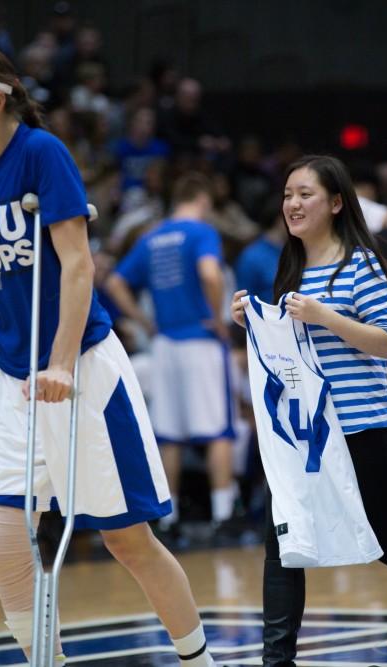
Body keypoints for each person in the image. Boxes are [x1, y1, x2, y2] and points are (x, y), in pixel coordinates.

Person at [0, 45, 215, 666]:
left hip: (81, 367)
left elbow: (79, 264)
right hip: (14, 379)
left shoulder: (42, 154)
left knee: (127, 540)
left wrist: (59, 361)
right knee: (2, 544)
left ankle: (200, 661)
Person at [229, 155, 387, 667]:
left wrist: (324, 315)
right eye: (288, 194)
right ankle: (278, 660)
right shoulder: (289, 270)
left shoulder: (360, 262)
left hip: (362, 426)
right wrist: (254, 322)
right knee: (284, 539)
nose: (292, 203)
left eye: (305, 194)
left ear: (336, 203)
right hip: (308, 435)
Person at [105, 173, 241, 535]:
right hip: (200, 340)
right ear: (202, 200)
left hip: (165, 343)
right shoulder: (200, 232)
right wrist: (216, 317)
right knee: (218, 432)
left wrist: (144, 321)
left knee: (169, 434)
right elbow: (210, 275)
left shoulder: (151, 238)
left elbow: (116, 283)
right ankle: (223, 514)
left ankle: (169, 518)